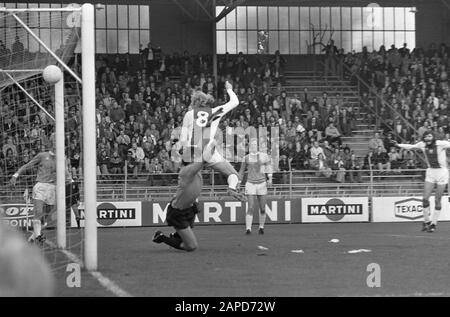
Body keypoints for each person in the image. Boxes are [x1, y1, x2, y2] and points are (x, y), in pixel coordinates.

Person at [153, 81, 245, 252]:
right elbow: (235, 102)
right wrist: (229, 89)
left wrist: (179, 149)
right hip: (209, 151)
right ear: (206, 102)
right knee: (233, 175)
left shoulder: (189, 114)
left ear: (195, 102)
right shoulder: (215, 111)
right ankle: (232, 188)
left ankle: (182, 214)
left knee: (190, 183)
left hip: (193, 154)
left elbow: (184, 136)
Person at [10, 140, 70, 244]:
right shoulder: (42, 155)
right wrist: (16, 175)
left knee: (45, 217)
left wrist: (71, 181)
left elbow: (66, 172)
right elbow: (28, 165)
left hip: (53, 188)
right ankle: (38, 235)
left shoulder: (62, 158)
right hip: (40, 186)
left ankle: (33, 237)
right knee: (38, 212)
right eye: (55, 145)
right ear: (52, 145)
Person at [394, 131, 450, 232]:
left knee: (437, 200)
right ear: (424, 138)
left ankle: (434, 224)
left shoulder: (441, 144)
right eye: (426, 136)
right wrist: (398, 144)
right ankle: (427, 221)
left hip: (442, 173)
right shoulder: (422, 144)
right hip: (431, 172)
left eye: (430, 136)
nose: (428, 138)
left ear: (433, 137)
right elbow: (411, 147)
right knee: (425, 199)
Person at [239, 138, 273, 235]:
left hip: (262, 183)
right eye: (252, 145)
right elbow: (241, 171)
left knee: (262, 208)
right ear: (249, 146)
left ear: (257, 146)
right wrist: (238, 182)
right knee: (250, 207)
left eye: (255, 145)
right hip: (250, 183)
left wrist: (270, 178)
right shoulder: (246, 158)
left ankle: (261, 227)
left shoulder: (264, 156)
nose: (253, 146)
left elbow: (268, 167)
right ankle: (248, 229)